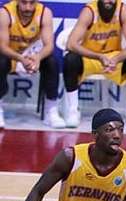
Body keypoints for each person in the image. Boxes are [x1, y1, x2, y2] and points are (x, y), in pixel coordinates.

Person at [63, 0, 126, 129]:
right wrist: (98, 56)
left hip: (114, 59)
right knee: (70, 59)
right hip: (91, 57)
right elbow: (71, 44)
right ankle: (73, 109)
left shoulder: (122, 10)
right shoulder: (89, 11)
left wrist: (117, 59)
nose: (109, 1)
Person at [0, 0, 65, 128]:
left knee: (52, 62)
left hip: (33, 56)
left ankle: (51, 110)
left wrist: (38, 57)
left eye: (32, 3)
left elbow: (49, 46)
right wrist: (21, 59)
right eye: (24, 3)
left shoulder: (45, 13)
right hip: (12, 56)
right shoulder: (5, 13)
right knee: (0, 61)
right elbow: (2, 46)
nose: (28, 8)